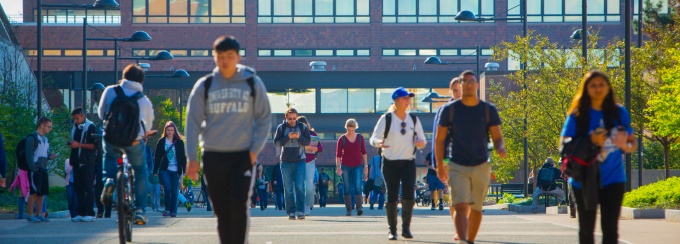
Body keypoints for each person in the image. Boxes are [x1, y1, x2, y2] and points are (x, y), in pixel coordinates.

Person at [184, 35, 272, 243]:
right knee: (222, 211)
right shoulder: (204, 86)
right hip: (213, 156)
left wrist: (253, 151)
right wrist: (192, 158)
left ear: (238, 57)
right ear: (214, 57)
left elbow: (264, 118)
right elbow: (192, 123)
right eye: (220, 56)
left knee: (239, 206)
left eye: (229, 56)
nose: (225, 61)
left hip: (243, 155)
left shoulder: (251, 83)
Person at [560, 70, 636, 244]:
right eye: (593, 85)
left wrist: (625, 145)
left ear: (608, 87)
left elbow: (632, 142)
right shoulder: (578, 115)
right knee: (586, 229)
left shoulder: (619, 113)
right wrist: (590, 139)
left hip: (613, 178)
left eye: (602, 84)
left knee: (610, 228)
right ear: (586, 89)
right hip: (584, 179)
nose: (598, 88)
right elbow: (563, 145)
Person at [434, 71, 507, 244]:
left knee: (476, 208)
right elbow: (439, 139)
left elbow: (497, 136)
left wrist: (500, 148)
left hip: (481, 164)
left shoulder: (488, 110)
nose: (468, 84)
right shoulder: (449, 110)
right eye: (464, 81)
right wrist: (440, 165)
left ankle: (470, 240)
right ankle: (463, 240)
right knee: (460, 205)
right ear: (459, 84)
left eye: (471, 81)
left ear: (477, 85)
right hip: (457, 165)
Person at [98, 64, 155, 225]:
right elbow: (148, 125)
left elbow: (102, 113)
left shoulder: (110, 91)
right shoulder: (143, 100)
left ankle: (109, 181)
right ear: (141, 81)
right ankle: (140, 210)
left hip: (112, 138)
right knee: (140, 171)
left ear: (124, 76)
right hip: (134, 141)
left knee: (109, 155)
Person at [370, 87, 427, 240]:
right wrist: (378, 142)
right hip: (390, 163)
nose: (407, 100)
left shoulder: (413, 119)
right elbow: (373, 137)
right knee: (392, 195)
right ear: (396, 101)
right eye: (404, 98)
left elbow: (422, 140)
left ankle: (406, 228)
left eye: (408, 98)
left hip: (408, 162)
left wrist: (420, 142)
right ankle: (392, 230)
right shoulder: (386, 118)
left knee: (409, 194)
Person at [432, 77, 462, 240]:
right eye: (456, 90)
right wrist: (439, 164)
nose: (459, 93)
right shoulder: (444, 110)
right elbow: (438, 139)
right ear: (451, 91)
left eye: (461, 90)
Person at [274, 108, 311, 220]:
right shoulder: (281, 128)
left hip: (300, 160)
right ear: (286, 118)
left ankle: (301, 211)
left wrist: (299, 136)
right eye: (290, 119)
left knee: (300, 187)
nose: (292, 120)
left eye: (294, 118)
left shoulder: (302, 127)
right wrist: (287, 137)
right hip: (285, 161)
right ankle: (291, 211)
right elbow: (276, 143)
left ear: (297, 117)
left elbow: (308, 142)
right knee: (288, 188)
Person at [25, 117, 57, 223]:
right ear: (42, 125)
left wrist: (49, 157)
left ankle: (39, 214)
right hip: (35, 169)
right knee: (33, 192)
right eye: (49, 126)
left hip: (43, 169)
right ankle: (30, 214)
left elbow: (42, 153)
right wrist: (32, 168)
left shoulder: (46, 139)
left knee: (42, 193)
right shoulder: (32, 138)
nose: (50, 129)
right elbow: (29, 155)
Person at [69, 107, 98, 222]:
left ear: (82, 116)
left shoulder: (91, 127)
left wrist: (79, 145)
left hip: (87, 162)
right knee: (78, 188)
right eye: (74, 119)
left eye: (77, 118)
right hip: (76, 161)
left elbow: (94, 146)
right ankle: (80, 212)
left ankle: (90, 212)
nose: (75, 121)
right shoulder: (75, 127)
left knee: (88, 187)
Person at [154, 121, 187, 217]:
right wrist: (155, 171)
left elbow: (183, 157)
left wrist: (184, 170)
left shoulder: (179, 142)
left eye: (172, 130)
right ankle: (167, 209)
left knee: (174, 191)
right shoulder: (161, 141)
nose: (170, 132)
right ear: (165, 130)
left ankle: (173, 211)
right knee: (167, 188)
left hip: (176, 170)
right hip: (165, 169)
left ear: (174, 131)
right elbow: (157, 157)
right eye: (168, 130)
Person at [336, 118, 368, 216]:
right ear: (346, 128)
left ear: (355, 128)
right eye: (349, 130)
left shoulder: (360, 137)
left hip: (358, 165)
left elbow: (364, 152)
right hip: (345, 165)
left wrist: (365, 166)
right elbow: (338, 155)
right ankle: (348, 209)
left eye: (352, 130)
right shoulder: (342, 139)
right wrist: (338, 167)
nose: (350, 132)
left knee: (358, 186)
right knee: (347, 187)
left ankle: (359, 208)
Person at [297, 116, 322, 215]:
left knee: (309, 185)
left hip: (309, 161)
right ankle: (300, 206)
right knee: (299, 185)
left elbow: (319, 148)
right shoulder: (295, 134)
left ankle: (307, 205)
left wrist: (310, 148)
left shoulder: (312, 134)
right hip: (297, 161)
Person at [145, 137, 160, 212]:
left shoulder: (158, 164)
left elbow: (160, 173)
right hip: (150, 181)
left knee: (157, 194)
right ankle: (153, 207)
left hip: (157, 182)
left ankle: (157, 206)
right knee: (151, 195)